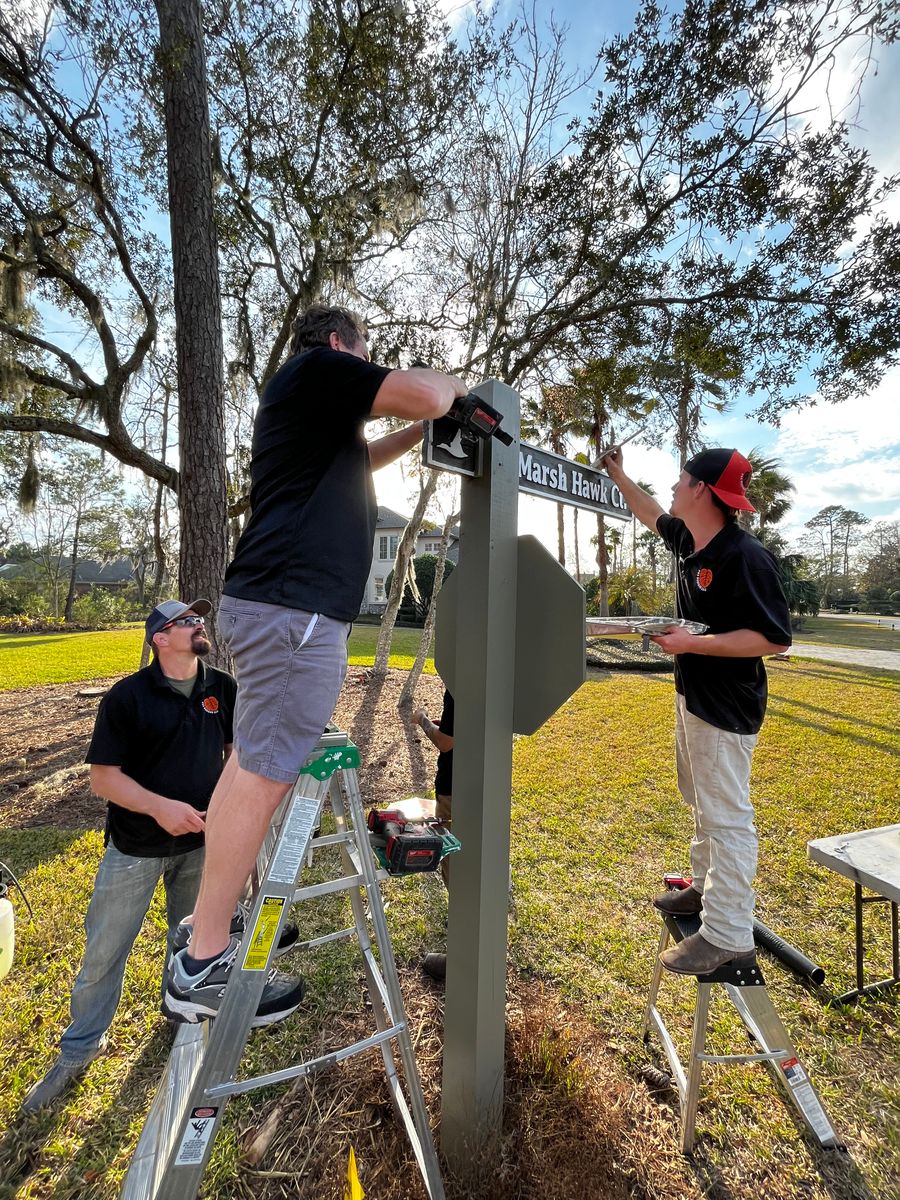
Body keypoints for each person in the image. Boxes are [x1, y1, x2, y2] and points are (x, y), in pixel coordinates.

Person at [164, 304, 468, 1025]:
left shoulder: (313, 413)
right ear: (340, 345)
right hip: (293, 611)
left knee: (249, 767)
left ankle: (212, 927)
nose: (369, 362)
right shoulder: (320, 369)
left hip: (280, 607)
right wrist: (455, 390)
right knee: (265, 773)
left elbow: (363, 458)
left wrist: (417, 433)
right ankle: (203, 964)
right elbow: (428, 393)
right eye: (368, 352)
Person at [22, 600, 238, 1112]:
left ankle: (181, 1023)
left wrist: (229, 819)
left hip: (202, 845)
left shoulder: (222, 688)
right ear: (159, 639)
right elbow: (104, 777)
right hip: (135, 848)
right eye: (186, 621)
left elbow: (233, 755)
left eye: (198, 619)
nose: (197, 625)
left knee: (190, 942)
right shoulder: (128, 697)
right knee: (104, 951)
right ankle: (77, 1053)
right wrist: (161, 808)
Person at [600, 447, 792, 975]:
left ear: (702, 489)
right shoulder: (690, 539)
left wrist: (691, 645)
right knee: (702, 801)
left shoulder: (744, 555)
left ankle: (728, 933)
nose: (674, 487)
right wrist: (617, 473)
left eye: (681, 479)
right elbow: (647, 510)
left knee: (727, 815)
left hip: (726, 708)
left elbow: (773, 639)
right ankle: (704, 891)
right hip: (693, 697)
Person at [411, 691, 454, 980]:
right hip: (480, 784)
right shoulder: (487, 674)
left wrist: (423, 721)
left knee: (456, 866)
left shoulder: (459, 685)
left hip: (455, 788)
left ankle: (461, 956)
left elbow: (446, 742)